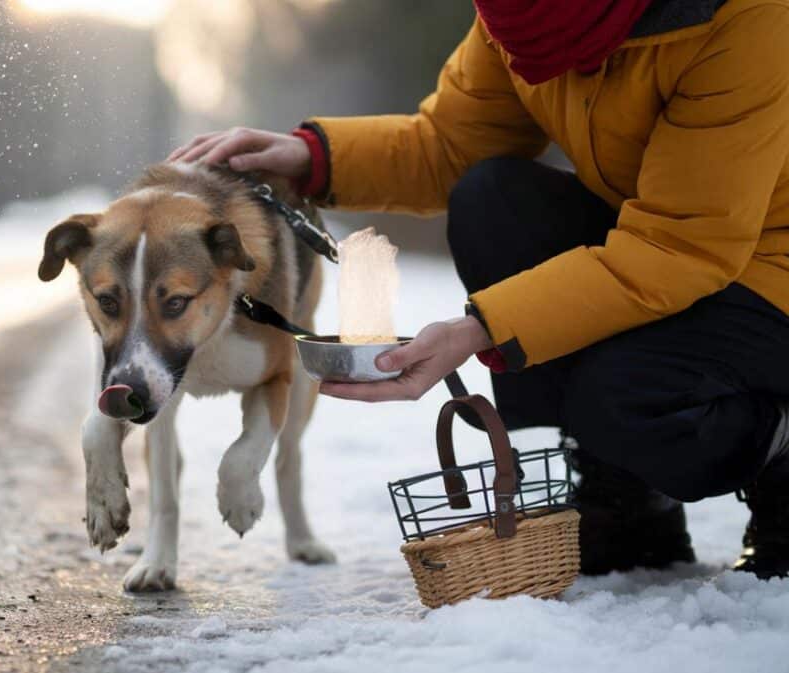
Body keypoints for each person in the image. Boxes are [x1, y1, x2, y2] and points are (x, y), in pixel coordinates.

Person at [168, 0, 789, 578]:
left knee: (621, 396)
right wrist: (313, 159)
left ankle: (777, 456)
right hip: (667, 243)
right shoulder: (523, 18)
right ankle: (627, 501)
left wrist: (482, 327)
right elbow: (452, 146)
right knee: (495, 198)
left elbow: (680, 245)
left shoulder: (744, 19)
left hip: (765, 272)